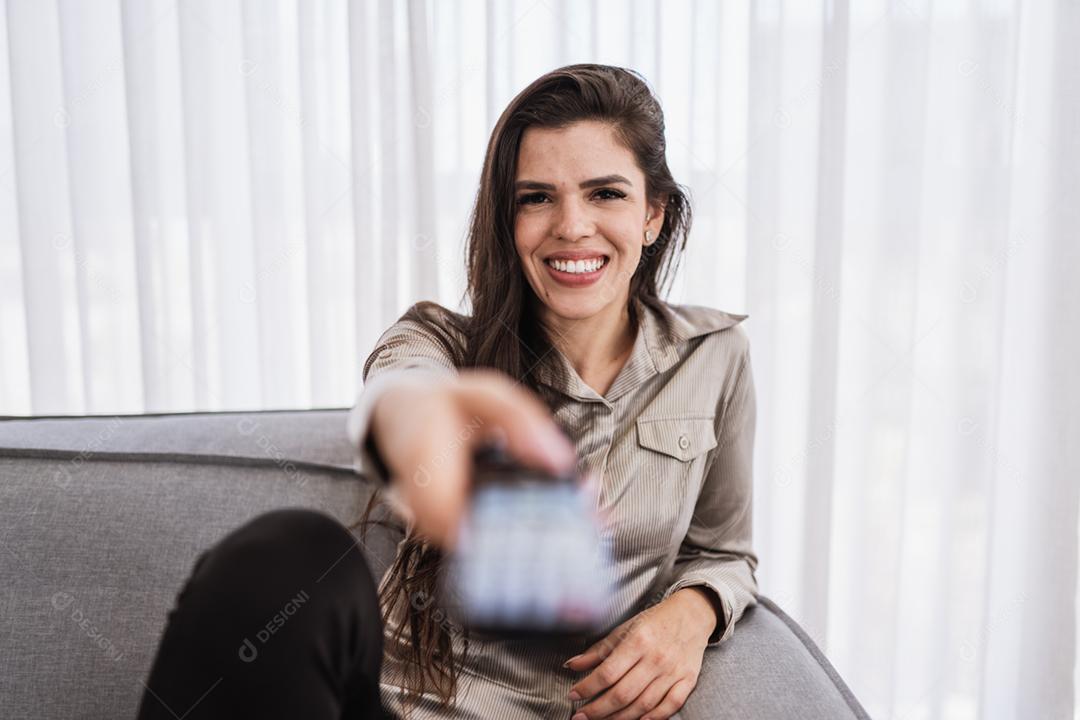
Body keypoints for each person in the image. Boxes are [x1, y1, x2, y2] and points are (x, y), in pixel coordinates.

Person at [136, 63, 758, 720]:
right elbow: (399, 395)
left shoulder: (715, 358)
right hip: (391, 706)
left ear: (654, 215)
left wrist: (692, 614)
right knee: (289, 552)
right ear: (507, 220)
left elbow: (725, 550)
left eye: (605, 194)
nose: (572, 226)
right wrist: (423, 427)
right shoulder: (439, 341)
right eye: (536, 198)